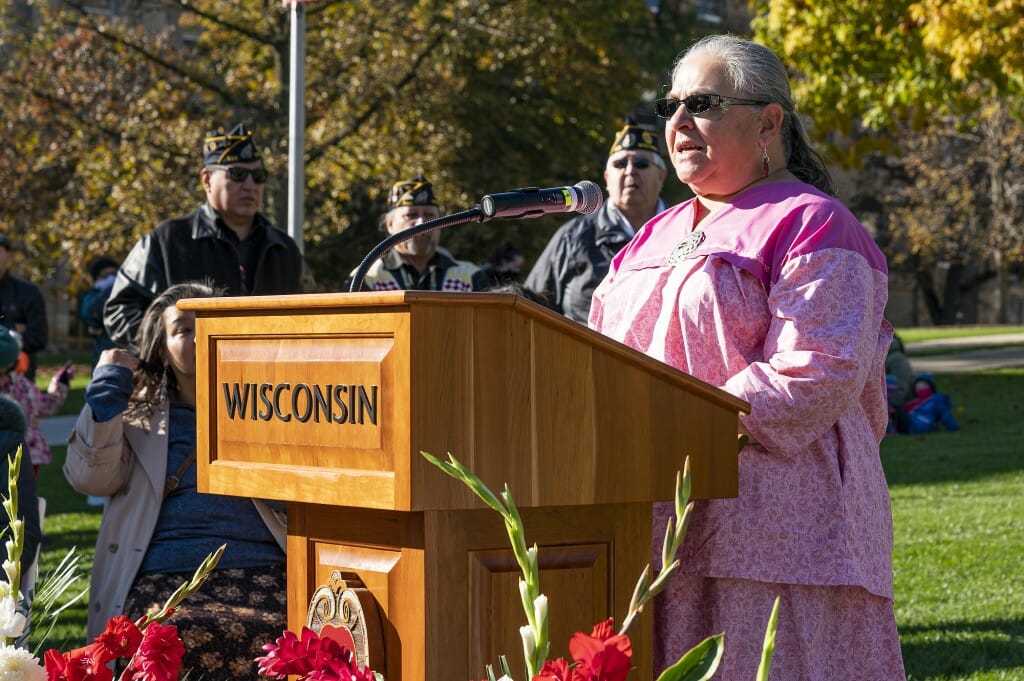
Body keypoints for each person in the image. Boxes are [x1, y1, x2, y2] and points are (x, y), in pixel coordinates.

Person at [589, 35, 905, 680]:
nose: (677, 123)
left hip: (776, 529)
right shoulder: (654, 233)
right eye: (669, 106)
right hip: (648, 520)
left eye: (701, 104)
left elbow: (816, 370)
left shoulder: (813, 222)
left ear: (768, 123)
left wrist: (673, 428)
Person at [64, 282, 287, 676]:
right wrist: (106, 393)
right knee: (166, 639)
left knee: (283, 639)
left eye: (210, 323)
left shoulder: (271, 406)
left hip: (260, 566)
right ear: (162, 349)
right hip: (166, 572)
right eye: (183, 329)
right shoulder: (138, 418)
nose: (200, 334)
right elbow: (89, 479)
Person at [103, 123, 307, 351]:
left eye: (258, 176)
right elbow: (120, 310)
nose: (250, 185)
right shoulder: (168, 240)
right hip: (189, 384)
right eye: (237, 174)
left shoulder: (284, 249)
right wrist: (170, 348)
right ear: (207, 180)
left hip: (267, 382)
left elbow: (312, 315)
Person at [524, 119, 668, 323]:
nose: (630, 171)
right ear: (607, 178)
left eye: (641, 163)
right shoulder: (574, 237)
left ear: (661, 176)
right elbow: (530, 308)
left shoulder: (684, 233)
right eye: (620, 164)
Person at [346, 174, 493, 291]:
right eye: (411, 215)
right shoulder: (367, 277)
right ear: (390, 224)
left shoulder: (469, 276)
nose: (422, 223)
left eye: (429, 215)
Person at [0, 325, 69, 475]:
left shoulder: (21, 385)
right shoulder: (21, 385)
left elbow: (46, 405)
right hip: (20, 453)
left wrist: (59, 383)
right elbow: (47, 406)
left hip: (26, 454)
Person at [0, 234, 48, 381]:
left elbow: (38, 337)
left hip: (19, 382)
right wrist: (14, 327)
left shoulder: (27, 292)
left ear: (9, 256)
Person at [80, 255, 120, 370]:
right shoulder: (91, 296)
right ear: (97, 277)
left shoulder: (125, 295)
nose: (111, 278)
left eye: (114, 274)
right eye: (106, 275)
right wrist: (110, 290)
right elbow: (89, 313)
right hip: (103, 355)